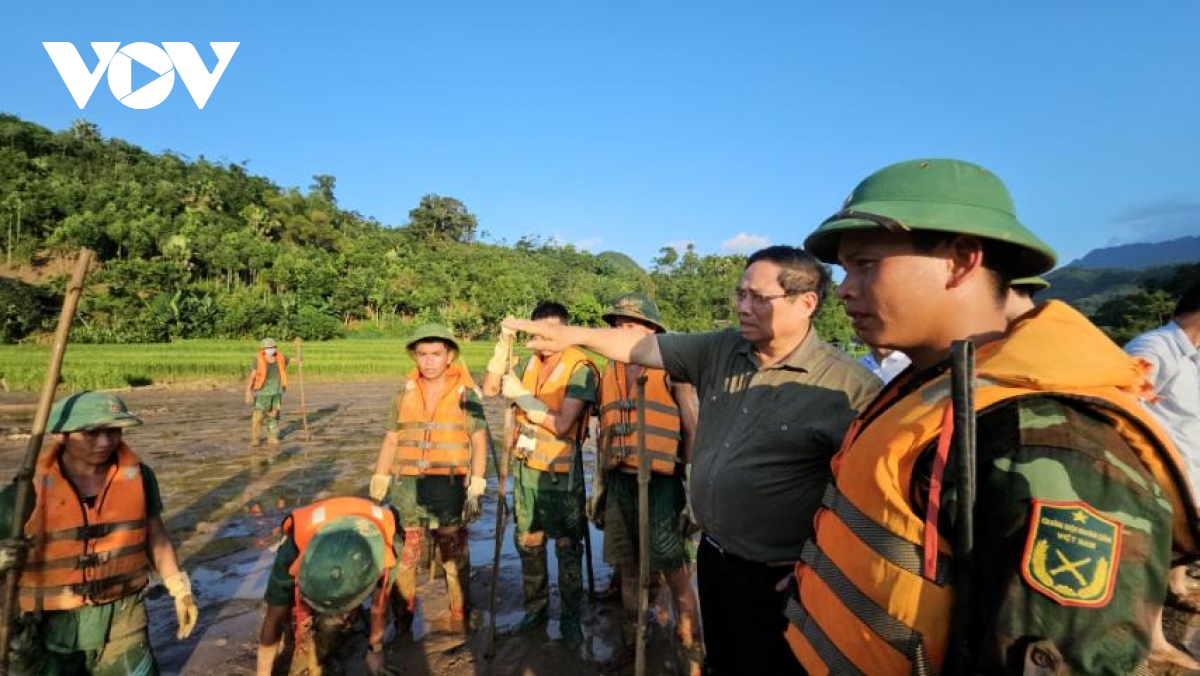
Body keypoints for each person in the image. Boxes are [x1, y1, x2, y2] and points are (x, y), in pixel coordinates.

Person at [783, 158, 1200, 675]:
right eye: (846, 270)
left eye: (866, 264)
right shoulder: (938, 384)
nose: (844, 289)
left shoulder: (1047, 436)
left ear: (961, 260)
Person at [504, 247, 880, 675]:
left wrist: (821, 569)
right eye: (739, 294)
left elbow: (869, 507)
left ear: (806, 302)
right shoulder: (721, 349)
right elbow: (641, 344)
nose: (742, 306)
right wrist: (571, 335)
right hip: (717, 559)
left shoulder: (850, 389)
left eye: (758, 298)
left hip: (781, 578)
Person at [0, 391, 199, 675]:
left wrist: (179, 588)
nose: (105, 442)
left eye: (113, 431)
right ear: (63, 435)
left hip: (123, 617)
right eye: (91, 433)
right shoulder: (23, 494)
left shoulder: (140, 477)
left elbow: (155, 535)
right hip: (52, 625)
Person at [588, 293, 703, 673]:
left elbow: (692, 427)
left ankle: (688, 645)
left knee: (674, 569)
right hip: (620, 481)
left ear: (653, 332)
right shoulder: (609, 371)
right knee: (630, 568)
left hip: (660, 484)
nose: (623, 332)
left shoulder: (673, 370)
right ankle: (633, 641)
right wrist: (599, 486)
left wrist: (693, 490)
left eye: (632, 325)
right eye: (618, 326)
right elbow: (602, 433)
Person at [482, 301, 599, 648]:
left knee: (566, 546)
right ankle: (536, 610)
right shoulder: (528, 361)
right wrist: (503, 345)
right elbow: (489, 388)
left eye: (553, 332)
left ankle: (571, 619)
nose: (545, 338)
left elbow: (564, 425)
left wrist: (524, 398)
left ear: (564, 332)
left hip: (561, 474)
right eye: (538, 331)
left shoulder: (581, 368)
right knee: (528, 542)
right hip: (525, 470)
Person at [368, 324, 489, 636]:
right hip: (407, 484)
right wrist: (380, 475)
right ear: (415, 357)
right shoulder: (403, 394)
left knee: (451, 547)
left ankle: (459, 610)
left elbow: (478, 440)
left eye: (436, 353)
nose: (429, 360)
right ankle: (403, 618)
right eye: (422, 354)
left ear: (449, 356)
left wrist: (477, 481)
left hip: (448, 485)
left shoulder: (466, 395)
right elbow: (392, 438)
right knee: (405, 553)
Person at [256, 496, 401, 676]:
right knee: (287, 614)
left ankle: (347, 617)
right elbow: (273, 614)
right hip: (315, 530)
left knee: (336, 623)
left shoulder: (388, 547)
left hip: (362, 540)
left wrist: (376, 650)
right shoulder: (292, 548)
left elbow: (380, 603)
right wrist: (262, 672)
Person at [1125, 282, 1200, 616]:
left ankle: (1177, 586)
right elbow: (1121, 399)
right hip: (1162, 472)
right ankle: (1151, 630)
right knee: (1160, 546)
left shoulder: (1193, 357)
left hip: (1190, 469)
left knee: (1181, 540)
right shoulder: (1154, 347)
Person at [245, 338, 288, 446]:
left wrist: (299, 358)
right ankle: (255, 439)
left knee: (274, 416)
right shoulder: (258, 360)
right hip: (262, 392)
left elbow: (292, 359)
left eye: (272, 347)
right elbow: (252, 376)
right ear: (263, 349)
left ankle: (272, 438)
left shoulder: (280, 357)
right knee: (258, 417)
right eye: (268, 348)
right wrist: (248, 391)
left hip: (276, 392)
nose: (271, 349)